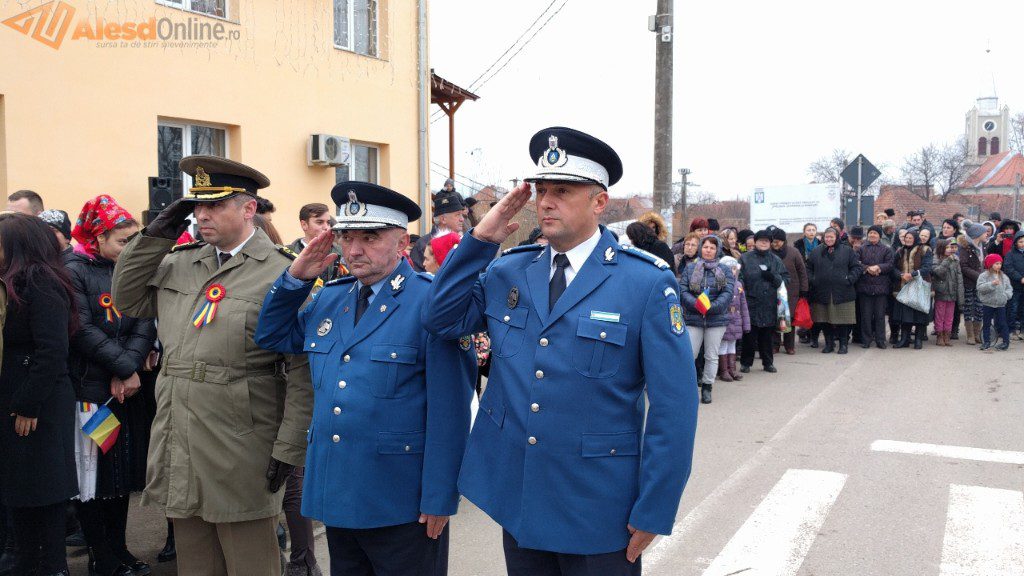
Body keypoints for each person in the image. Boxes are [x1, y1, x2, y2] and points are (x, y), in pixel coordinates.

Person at [422, 127, 698, 575]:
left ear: (599, 201)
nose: (546, 202)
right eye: (541, 191)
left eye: (562, 191)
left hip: (599, 504)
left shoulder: (645, 282)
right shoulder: (509, 271)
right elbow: (441, 318)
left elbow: (675, 406)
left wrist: (656, 505)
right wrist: (480, 240)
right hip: (519, 495)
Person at [255, 181, 473, 576]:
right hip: (337, 491)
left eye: (369, 238)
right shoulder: (330, 297)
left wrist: (440, 496)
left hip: (402, 499)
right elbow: (272, 335)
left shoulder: (430, 302)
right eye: (346, 237)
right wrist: (295, 278)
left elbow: (451, 411)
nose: (354, 250)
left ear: (402, 241)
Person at [111, 156, 313, 576]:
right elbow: (127, 298)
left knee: (250, 562)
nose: (202, 215)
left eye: (216, 205)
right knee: (196, 563)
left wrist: (290, 446)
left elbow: (302, 371)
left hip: (242, 442)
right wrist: (154, 235)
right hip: (180, 435)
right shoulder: (180, 261)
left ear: (248, 208)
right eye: (198, 205)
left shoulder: (282, 271)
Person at [65, 196, 156, 576]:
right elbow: (81, 329)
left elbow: (145, 318)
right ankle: (100, 556)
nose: (129, 247)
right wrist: (123, 366)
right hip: (91, 393)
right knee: (93, 479)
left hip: (127, 392)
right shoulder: (73, 271)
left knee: (121, 477)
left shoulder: (130, 269)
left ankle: (120, 549)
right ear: (98, 238)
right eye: (122, 241)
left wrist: (129, 369)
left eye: (134, 239)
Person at [0, 213, 78, 576]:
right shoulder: (12, 280)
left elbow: (52, 350)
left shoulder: (39, 281)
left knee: (43, 489)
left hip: (37, 403)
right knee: (19, 489)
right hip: (17, 399)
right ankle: (25, 560)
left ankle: (52, 565)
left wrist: (27, 404)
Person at [680, 236, 734, 404]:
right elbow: (683, 290)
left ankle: (707, 386)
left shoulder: (724, 270)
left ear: (717, 250)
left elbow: (728, 292)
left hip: (716, 319)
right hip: (694, 317)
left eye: (712, 247)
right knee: (690, 354)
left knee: (711, 355)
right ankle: (687, 387)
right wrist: (696, 304)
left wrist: (712, 307)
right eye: (705, 247)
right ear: (700, 248)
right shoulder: (690, 268)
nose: (708, 250)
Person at [806, 227, 862, 354]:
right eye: (826, 237)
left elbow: (856, 267)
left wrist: (850, 279)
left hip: (843, 291)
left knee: (843, 320)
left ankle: (843, 345)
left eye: (831, 237)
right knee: (825, 319)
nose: (829, 239)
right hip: (822, 291)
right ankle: (829, 344)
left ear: (837, 237)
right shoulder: (816, 251)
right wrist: (813, 280)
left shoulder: (847, 250)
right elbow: (808, 268)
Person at [739, 229, 787, 373]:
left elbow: (786, 279)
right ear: (755, 242)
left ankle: (768, 363)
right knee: (749, 335)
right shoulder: (745, 258)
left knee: (767, 336)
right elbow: (739, 277)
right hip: (750, 302)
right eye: (761, 240)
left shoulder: (776, 260)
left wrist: (774, 278)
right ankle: (746, 363)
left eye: (766, 241)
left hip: (769, 303)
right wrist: (743, 291)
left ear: (770, 243)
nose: (764, 243)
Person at [891, 228, 933, 350]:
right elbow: (893, 267)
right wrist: (901, 275)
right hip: (903, 287)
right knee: (905, 315)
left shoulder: (925, 250)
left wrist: (912, 274)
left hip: (919, 286)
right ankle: (904, 339)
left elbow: (927, 267)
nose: (908, 240)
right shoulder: (900, 251)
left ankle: (918, 340)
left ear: (916, 239)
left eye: (911, 238)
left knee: (919, 313)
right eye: (906, 238)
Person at [855, 226, 895, 348]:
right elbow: (856, 263)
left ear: (879, 235)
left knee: (880, 316)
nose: (872, 235)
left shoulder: (886, 249)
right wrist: (867, 268)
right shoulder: (861, 249)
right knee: (866, 316)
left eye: (875, 233)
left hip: (881, 288)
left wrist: (878, 267)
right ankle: (866, 340)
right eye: (870, 233)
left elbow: (890, 264)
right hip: (864, 287)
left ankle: (880, 340)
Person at [770, 227, 807, 355]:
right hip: (772, 290)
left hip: (791, 291)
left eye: (778, 241)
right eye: (773, 241)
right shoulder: (768, 252)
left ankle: (789, 345)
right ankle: (775, 345)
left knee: (789, 318)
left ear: (783, 241)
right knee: (775, 317)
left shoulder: (794, 252)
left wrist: (804, 289)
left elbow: (802, 272)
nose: (775, 244)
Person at [410, 190, 465, 272]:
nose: (462, 219)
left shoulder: (463, 242)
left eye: (462, 215)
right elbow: (416, 276)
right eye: (457, 215)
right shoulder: (422, 245)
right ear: (443, 219)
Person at [288, 203, 344, 285]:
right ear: (304, 225)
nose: (326, 227)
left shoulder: (341, 251)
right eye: (320, 222)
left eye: (328, 223)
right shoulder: (287, 253)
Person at [717, 256, 748, 384]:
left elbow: (744, 306)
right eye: (729, 268)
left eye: (734, 268)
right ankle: (724, 370)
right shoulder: (719, 284)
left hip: (736, 320)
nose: (732, 271)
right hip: (724, 319)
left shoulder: (739, 285)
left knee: (732, 345)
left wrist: (746, 324)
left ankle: (732, 369)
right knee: (723, 345)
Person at [959, 223, 989, 345]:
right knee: (968, 307)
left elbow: (985, 263)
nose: (987, 234)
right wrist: (979, 276)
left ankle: (977, 334)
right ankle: (970, 334)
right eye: (985, 232)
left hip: (981, 284)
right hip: (969, 283)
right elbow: (964, 266)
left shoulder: (983, 246)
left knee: (979, 308)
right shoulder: (965, 248)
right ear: (977, 234)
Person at [931, 238, 964, 347]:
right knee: (940, 315)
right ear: (941, 248)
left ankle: (947, 335)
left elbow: (959, 278)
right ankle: (939, 335)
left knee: (950, 316)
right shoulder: (936, 258)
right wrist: (947, 261)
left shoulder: (956, 260)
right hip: (941, 291)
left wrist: (960, 294)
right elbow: (938, 272)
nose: (950, 249)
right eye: (947, 247)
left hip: (952, 291)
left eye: (950, 247)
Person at [976, 254, 1013, 350]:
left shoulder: (1004, 276)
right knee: (986, 323)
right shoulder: (983, 276)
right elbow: (980, 288)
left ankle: (1005, 342)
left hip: (1001, 304)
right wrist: (991, 284)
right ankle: (986, 342)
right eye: (996, 263)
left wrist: (1006, 296)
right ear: (990, 264)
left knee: (1002, 323)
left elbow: (1009, 288)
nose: (999, 265)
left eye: (1000, 263)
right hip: (988, 303)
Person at [1003, 230, 1024, 340]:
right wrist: (1020, 278)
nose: (1023, 244)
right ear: (1015, 242)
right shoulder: (1010, 254)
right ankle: (1011, 330)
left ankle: (1022, 331)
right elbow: (1008, 268)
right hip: (1015, 286)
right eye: (1021, 242)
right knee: (1013, 309)